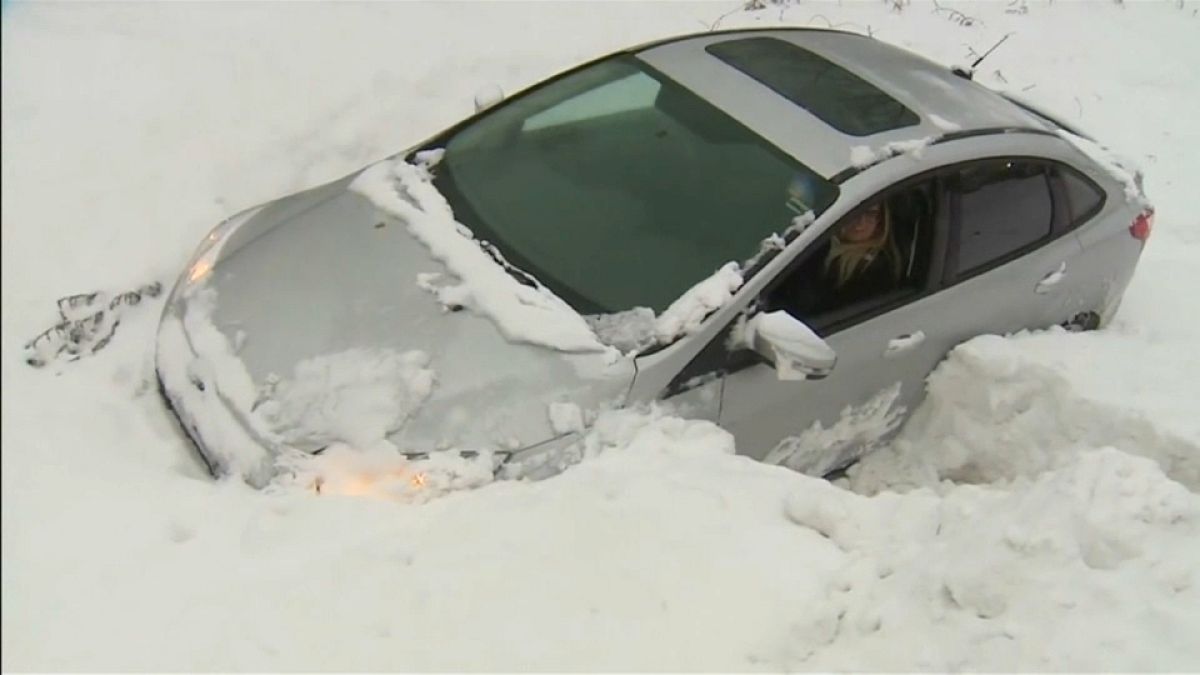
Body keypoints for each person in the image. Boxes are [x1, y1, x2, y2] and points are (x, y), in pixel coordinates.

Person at [819, 200, 904, 308]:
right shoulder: (821, 240)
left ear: (880, 221)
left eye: (870, 214)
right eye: (855, 212)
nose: (860, 222)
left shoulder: (873, 270)